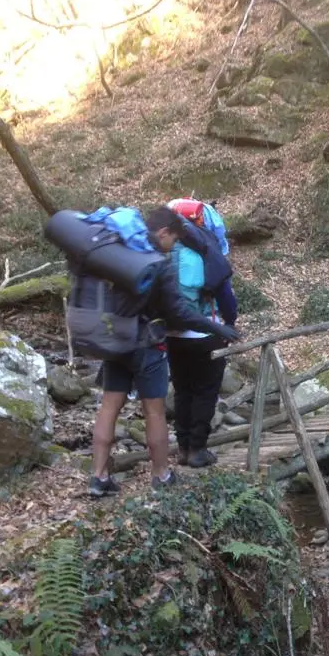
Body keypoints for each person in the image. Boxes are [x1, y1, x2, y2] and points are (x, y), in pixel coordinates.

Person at [88, 229, 239, 498]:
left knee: (111, 406)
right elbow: (180, 310)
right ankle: (165, 471)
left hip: (119, 341)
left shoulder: (120, 260)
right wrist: (221, 326)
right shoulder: (166, 261)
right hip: (154, 343)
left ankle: (99, 476)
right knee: (160, 409)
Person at [145, 206, 237, 468]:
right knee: (205, 392)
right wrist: (228, 323)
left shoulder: (163, 250)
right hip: (206, 332)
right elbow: (226, 297)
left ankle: (183, 447)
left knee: (183, 390)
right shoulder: (206, 252)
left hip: (172, 333)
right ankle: (197, 449)